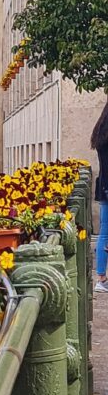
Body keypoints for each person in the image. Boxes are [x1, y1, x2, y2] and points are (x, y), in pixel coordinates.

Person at [92, 100, 108, 292]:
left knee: (104, 232)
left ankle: (101, 277)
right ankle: (102, 278)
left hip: (104, 187)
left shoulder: (100, 135)